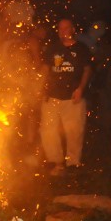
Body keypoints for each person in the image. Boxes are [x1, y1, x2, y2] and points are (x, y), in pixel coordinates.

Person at [40, 18, 92, 176]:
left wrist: (81, 89)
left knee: (74, 131)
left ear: (73, 29)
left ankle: (73, 163)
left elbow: (87, 70)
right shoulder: (52, 49)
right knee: (48, 130)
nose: (63, 31)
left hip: (73, 97)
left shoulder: (82, 49)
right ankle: (57, 162)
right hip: (53, 97)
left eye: (66, 28)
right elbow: (45, 70)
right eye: (60, 28)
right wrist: (42, 88)